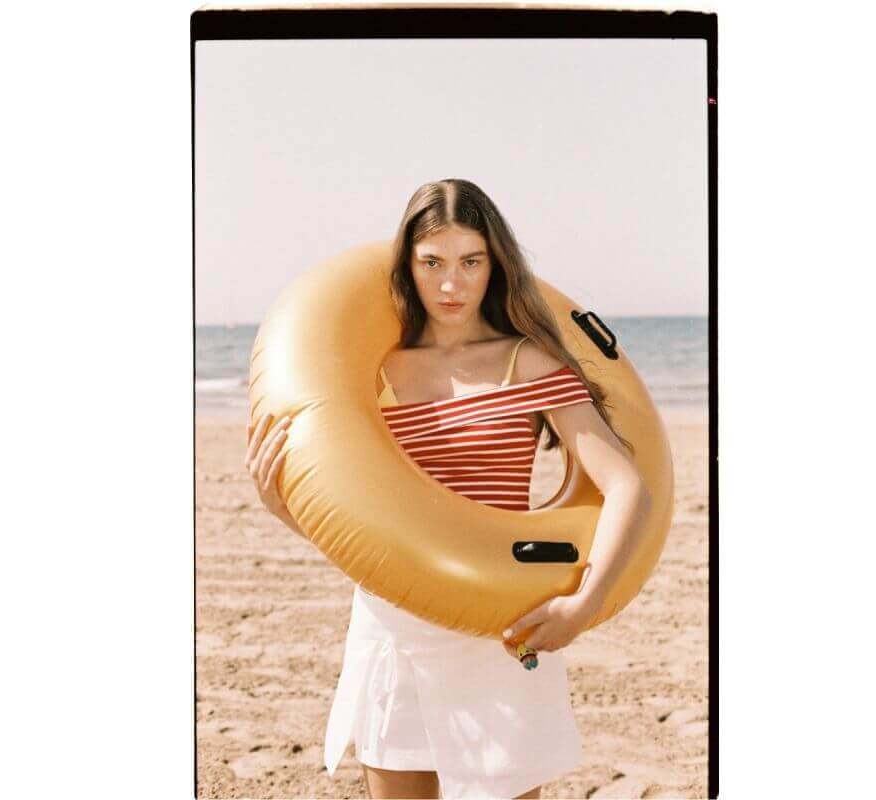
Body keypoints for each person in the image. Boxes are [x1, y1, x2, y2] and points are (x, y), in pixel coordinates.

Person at [244, 179, 653, 799]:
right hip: (394, 626)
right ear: (408, 267)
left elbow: (628, 485)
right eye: (432, 263)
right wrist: (286, 508)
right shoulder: (379, 373)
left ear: (495, 265)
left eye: (470, 262)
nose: (451, 284)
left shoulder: (528, 364)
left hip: (497, 622)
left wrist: (585, 604)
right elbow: (374, 524)